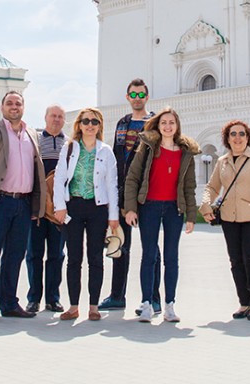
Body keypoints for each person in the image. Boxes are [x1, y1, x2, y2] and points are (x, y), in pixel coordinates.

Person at [0, 91, 46, 323]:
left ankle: (10, 303)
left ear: (24, 107)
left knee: (15, 256)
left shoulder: (31, 133)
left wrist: (36, 205)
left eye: (18, 103)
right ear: (2, 106)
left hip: (23, 204)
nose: (14, 107)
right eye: (10, 103)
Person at [123, 107, 200, 323]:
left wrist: (191, 216)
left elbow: (189, 187)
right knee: (149, 255)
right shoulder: (147, 147)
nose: (167, 126)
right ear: (158, 125)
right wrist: (130, 208)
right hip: (149, 207)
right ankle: (147, 303)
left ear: (177, 126)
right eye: (164, 122)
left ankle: (170, 305)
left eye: (171, 123)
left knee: (171, 258)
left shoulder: (186, 152)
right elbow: (132, 178)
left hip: (174, 209)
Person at [201, 120, 250, 321]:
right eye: (233, 134)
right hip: (229, 219)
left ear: (248, 137)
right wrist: (206, 204)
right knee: (235, 261)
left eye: (242, 134)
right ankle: (244, 302)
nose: (237, 138)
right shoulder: (221, 162)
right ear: (227, 138)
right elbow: (211, 187)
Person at [52, 107, 119, 322]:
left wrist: (113, 215)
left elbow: (112, 184)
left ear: (99, 126)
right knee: (74, 258)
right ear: (79, 125)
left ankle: (93, 306)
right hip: (73, 207)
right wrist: (59, 206)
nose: (90, 125)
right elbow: (60, 178)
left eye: (95, 122)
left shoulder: (105, 151)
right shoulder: (70, 148)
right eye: (86, 121)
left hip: (97, 208)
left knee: (95, 258)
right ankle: (73, 306)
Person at [100, 78, 160, 314]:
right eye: (133, 95)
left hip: (147, 194)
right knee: (120, 244)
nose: (137, 99)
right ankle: (117, 295)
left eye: (141, 95)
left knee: (151, 247)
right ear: (128, 97)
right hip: (124, 193)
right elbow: (116, 158)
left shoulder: (153, 123)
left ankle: (154, 297)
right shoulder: (122, 123)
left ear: (146, 96)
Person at [26, 104, 67, 314]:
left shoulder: (69, 144)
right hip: (37, 208)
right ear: (45, 117)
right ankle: (34, 298)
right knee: (33, 254)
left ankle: (53, 298)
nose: (57, 119)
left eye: (60, 117)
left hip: (58, 209)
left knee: (56, 254)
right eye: (53, 116)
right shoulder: (34, 140)